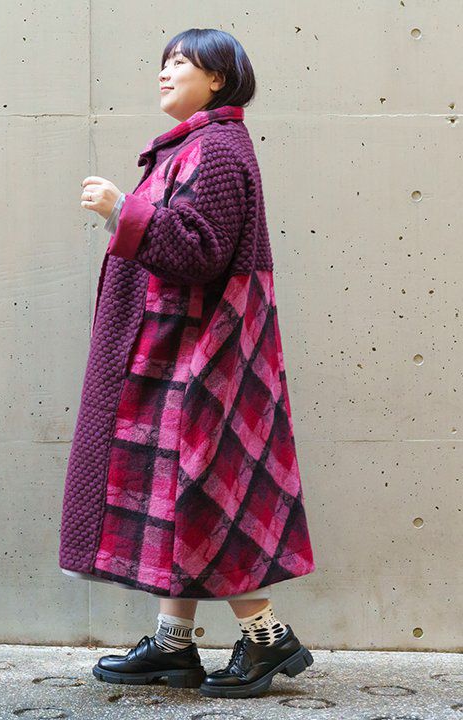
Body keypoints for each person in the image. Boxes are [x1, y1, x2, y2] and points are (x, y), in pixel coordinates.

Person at [59, 28, 316, 699]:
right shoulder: (194, 145)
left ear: (219, 78)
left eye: (180, 62)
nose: (165, 72)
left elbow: (201, 252)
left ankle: (267, 637)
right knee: (175, 493)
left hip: (202, 352)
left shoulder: (218, 150)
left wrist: (122, 209)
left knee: (204, 491)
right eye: (163, 62)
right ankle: (173, 646)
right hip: (178, 347)